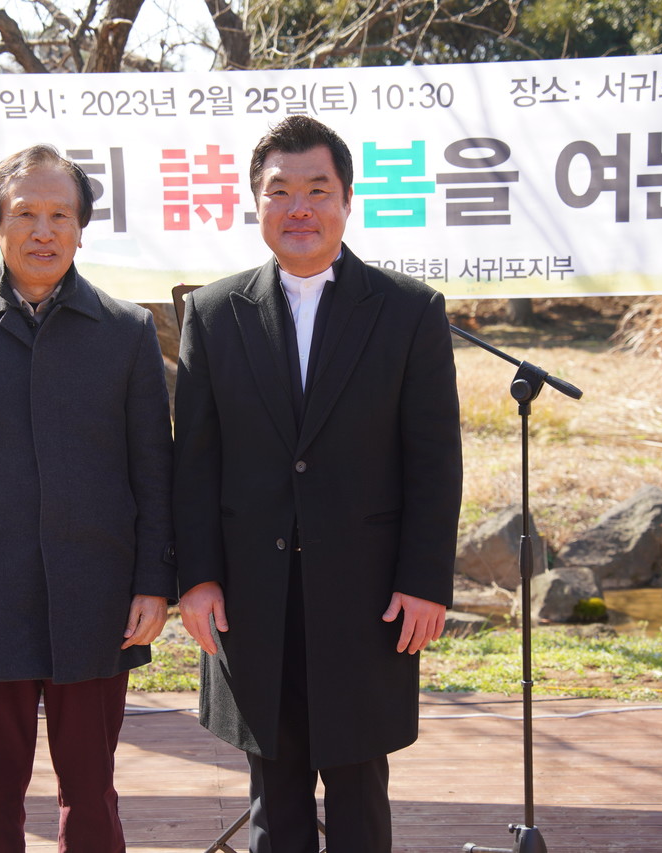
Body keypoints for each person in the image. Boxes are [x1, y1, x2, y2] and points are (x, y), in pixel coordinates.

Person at [173, 115, 463, 853]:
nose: (298, 207)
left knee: (361, 789)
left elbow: (434, 458)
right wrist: (197, 578)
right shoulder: (211, 314)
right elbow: (196, 462)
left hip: (367, 594)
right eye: (280, 191)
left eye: (317, 190)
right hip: (252, 595)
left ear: (347, 200)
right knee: (275, 793)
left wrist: (426, 580)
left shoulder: (408, 311)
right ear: (255, 202)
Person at [0, 144, 175, 853]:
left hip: (97, 594)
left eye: (60, 215)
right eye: (25, 214)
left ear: (82, 229)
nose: (42, 231)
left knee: (91, 788)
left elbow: (154, 471)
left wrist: (152, 582)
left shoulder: (126, 331)